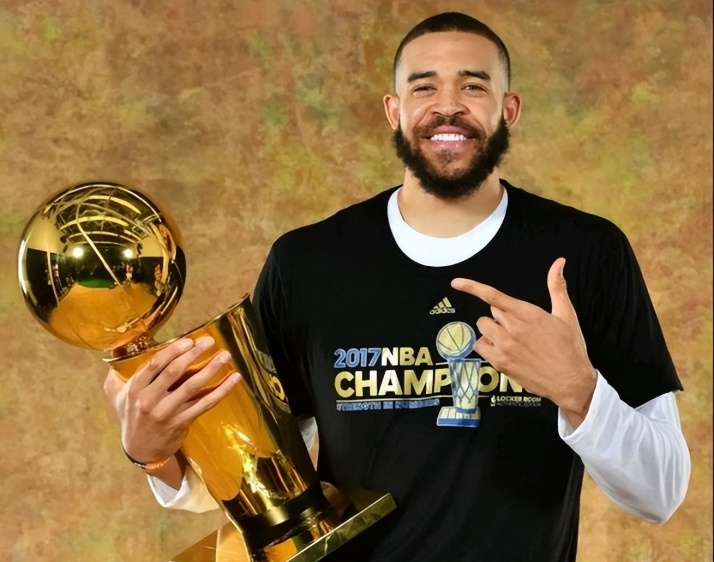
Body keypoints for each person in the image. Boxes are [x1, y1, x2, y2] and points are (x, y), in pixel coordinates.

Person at [104, 12, 690, 562]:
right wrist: (153, 453)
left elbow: (660, 492)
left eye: (474, 86)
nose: (448, 106)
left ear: (509, 109)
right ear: (394, 110)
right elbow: (253, 481)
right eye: (424, 86)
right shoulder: (307, 263)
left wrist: (579, 390)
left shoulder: (587, 253)